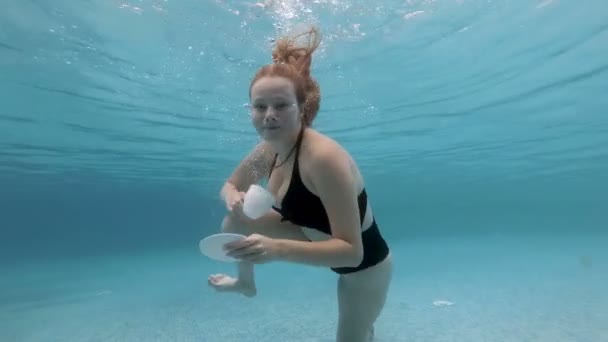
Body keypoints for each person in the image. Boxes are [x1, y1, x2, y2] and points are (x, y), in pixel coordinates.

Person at [207, 26, 392, 342]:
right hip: (312, 237)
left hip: (364, 268)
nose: (269, 116)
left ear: (301, 108)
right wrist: (233, 196)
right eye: (259, 106)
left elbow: (351, 254)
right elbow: (229, 184)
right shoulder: (269, 149)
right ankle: (245, 284)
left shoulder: (322, 158)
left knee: (354, 337)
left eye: (281, 105)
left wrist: (275, 248)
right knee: (234, 218)